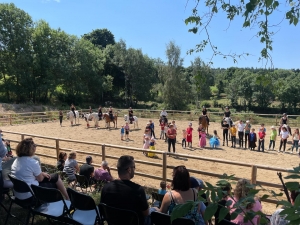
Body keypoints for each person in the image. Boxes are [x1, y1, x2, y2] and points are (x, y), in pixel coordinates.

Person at [100, 155, 150, 225]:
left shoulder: (106, 188)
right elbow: (146, 213)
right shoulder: (138, 190)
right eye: (134, 167)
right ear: (129, 170)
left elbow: (102, 209)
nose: (134, 169)